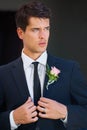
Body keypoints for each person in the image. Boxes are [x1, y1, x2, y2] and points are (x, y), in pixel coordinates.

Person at [0, 1, 87, 130]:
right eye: (36, 30)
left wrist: (65, 112)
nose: (43, 36)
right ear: (20, 33)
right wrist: (13, 118)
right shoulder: (2, 74)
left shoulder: (70, 69)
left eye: (46, 28)